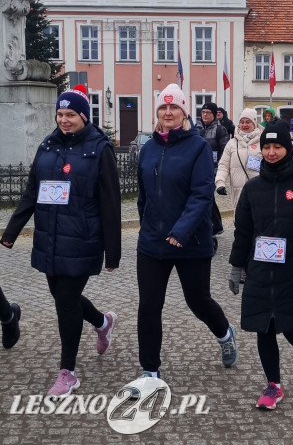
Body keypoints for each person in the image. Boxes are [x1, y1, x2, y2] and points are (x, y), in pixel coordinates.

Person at [1, 85, 121, 396]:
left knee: (66, 301)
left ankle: (67, 371)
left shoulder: (99, 149)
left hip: (82, 239)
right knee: (63, 297)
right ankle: (102, 322)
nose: (64, 120)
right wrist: (12, 231)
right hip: (50, 238)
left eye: (70, 114)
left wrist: (113, 252)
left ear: (84, 116)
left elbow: (111, 203)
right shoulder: (48, 145)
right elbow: (32, 191)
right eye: (60, 114)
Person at [130, 84, 238, 395]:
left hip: (190, 242)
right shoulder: (149, 148)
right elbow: (143, 194)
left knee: (198, 301)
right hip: (152, 243)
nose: (168, 113)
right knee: (149, 307)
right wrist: (147, 225)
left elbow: (201, 193)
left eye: (174, 107)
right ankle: (150, 371)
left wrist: (180, 231)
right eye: (163, 108)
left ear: (183, 112)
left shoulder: (198, 147)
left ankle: (225, 333)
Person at [229, 120, 293, 410]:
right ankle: (273, 385)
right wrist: (236, 265)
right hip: (260, 269)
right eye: (267, 147)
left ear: (289, 148)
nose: (271, 152)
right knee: (264, 327)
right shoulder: (252, 188)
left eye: (278, 146)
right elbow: (243, 231)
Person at [215, 108, 262, 209]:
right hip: (238, 192)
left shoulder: (262, 142)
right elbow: (223, 165)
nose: (244, 125)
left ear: (254, 123)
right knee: (239, 217)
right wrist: (220, 182)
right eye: (242, 122)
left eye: (248, 122)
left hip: (259, 189)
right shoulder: (232, 143)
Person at [196, 102, 229, 240]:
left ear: (214, 115)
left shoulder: (220, 130)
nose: (205, 115)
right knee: (207, 197)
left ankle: (211, 226)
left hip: (213, 169)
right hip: (198, 168)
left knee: (207, 195)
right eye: (203, 112)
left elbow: (224, 151)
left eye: (208, 112)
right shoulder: (196, 128)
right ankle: (216, 225)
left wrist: (218, 169)